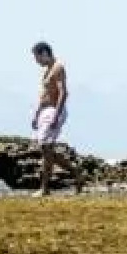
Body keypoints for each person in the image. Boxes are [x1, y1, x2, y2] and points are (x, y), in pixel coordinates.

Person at [31, 41, 77, 196]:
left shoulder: (58, 68)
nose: (36, 61)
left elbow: (63, 93)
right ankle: (77, 174)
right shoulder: (47, 71)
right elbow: (44, 95)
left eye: (37, 57)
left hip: (53, 111)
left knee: (46, 148)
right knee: (46, 150)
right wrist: (36, 114)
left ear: (44, 53)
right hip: (45, 111)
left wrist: (56, 116)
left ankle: (45, 189)